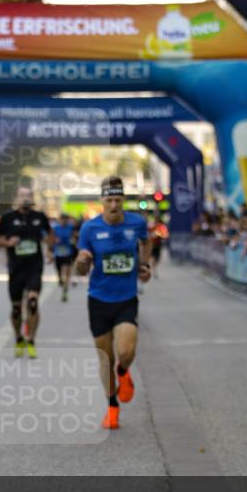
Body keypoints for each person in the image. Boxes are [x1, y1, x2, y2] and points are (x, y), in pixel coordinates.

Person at [74, 176, 151, 430]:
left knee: (126, 352)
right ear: (102, 201)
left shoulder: (137, 223)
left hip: (126, 298)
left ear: (123, 199)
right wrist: (82, 262)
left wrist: (145, 264)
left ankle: (123, 372)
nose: (114, 205)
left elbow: (146, 241)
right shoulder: (90, 229)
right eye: (109, 200)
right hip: (98, 299)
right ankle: (112, 407)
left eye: (118, 200)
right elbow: (81, 267)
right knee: (105, 358)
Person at [0, 184, 51, 358]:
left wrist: (49, 249)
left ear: (32, 198)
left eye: (28, 195)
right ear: (16, 198)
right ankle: (19, 337)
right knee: (16, 309)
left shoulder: (40, 217)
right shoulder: (7, 218)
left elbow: (50, 235)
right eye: (22, 195)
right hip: (16, 269)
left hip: (34, 267)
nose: (26, 198)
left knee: (32, 303)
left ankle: (31, 339)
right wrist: (8, 243)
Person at [51, 212, 76, 301]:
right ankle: (60, 279)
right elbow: (51, 238)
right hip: (58, 252)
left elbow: (75, 236)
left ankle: (65, 289)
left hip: (68, 252)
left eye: (65, 219)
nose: (64, 221)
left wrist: (73, 240)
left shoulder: (71, 227)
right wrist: (54, 242)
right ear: (59, 220)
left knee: (66, 271)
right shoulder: (55, 228)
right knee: (59, 271)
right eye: (62, 219)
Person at [147, 212, 169, 278]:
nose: (156, 220)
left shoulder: (162, 226)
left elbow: (165, 235)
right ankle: (154, 270)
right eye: (155, 219)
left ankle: (154, 267)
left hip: (158, 245)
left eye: (157, 219)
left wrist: (160, 235)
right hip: (152, 245)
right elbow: (147, 233)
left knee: (158, 259)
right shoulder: (151, 226)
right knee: (153, 258)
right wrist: (151, 235)